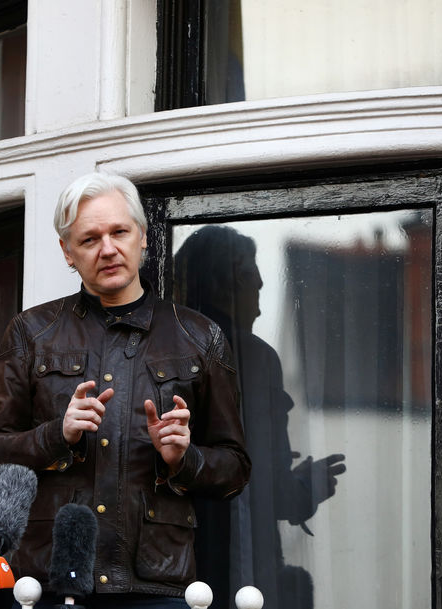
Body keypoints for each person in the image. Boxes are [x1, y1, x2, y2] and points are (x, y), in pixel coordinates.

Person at [0, 173, 251, 609]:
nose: (108, 248)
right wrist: (55, 435)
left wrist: (184, 456)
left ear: (143, 237)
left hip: (156, 586)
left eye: (119, 231)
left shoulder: (200, 337)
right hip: (45, 581)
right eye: (89, 239)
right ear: (67, 252)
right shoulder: (31, 332)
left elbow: (234, 469)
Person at [174, 225, 346, 609]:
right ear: (221, 285)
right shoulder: (254, 359)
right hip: (234, 564)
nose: (263, 284)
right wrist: (306, 487)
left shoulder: (167, 353)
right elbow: (263, 484)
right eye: (248, 274)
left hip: (171, 562)